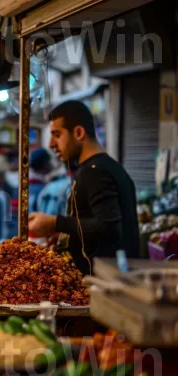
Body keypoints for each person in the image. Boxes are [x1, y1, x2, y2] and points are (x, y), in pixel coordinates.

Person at [28, 100, 139, 275]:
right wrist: (69, 238)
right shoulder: (106, 167)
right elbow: (97, 228)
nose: (51, 144)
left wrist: (54, 223)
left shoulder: (96, 172)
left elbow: (109, 227)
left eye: (57, 134)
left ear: (79, 132)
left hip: (105, 283)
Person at [28, 148, 53, 213]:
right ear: (44, 164)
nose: (50, 163)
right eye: (48, 161)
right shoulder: (45, 189)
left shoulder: (20, 186)